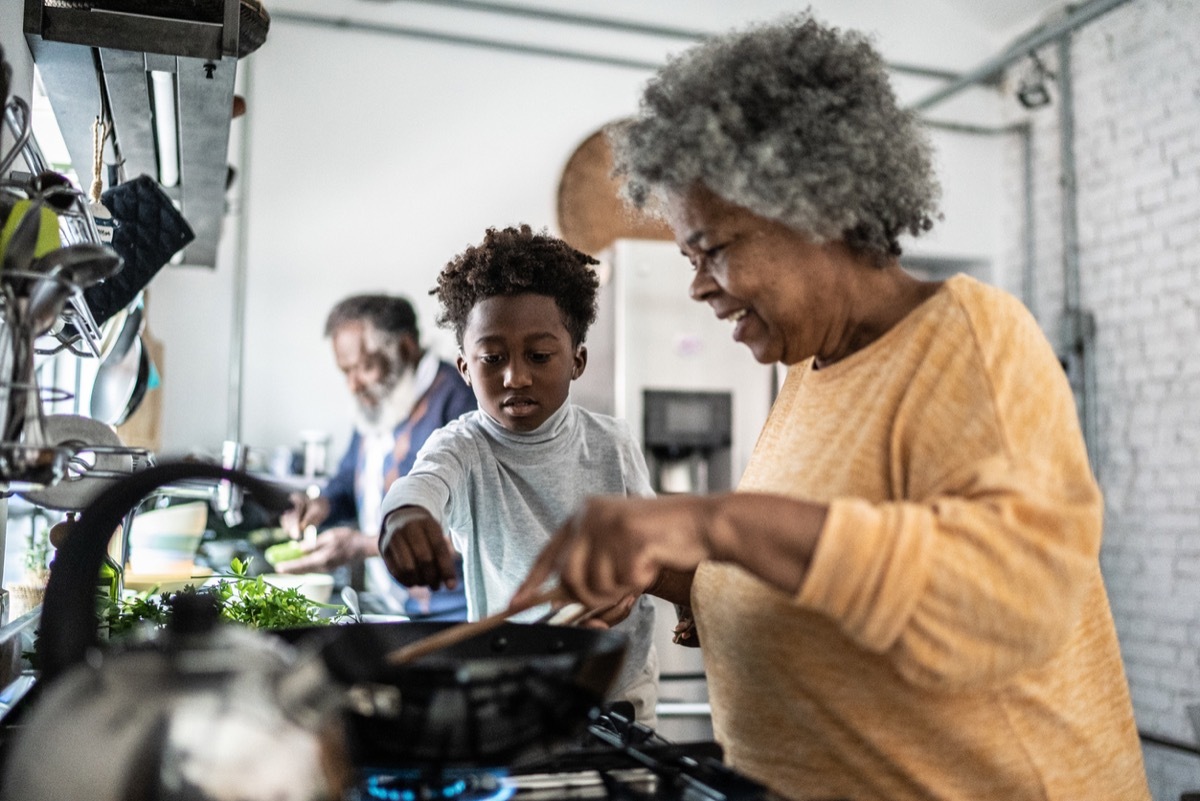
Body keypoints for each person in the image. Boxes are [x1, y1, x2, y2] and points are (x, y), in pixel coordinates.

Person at [512, 12, 1150, 801]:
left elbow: (1011, 597)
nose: (698, 285)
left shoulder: (969, 338)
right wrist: (666, 571)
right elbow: (819, 573)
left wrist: (706, 521)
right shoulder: (812, 373)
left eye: (712, 248)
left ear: (816, 204)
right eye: (687, 257)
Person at [378, 224, 659, 723]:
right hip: (515, 696)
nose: (515, 377)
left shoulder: (612, 443)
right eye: (492, 358)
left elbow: (657, 545)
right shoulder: (462, 447)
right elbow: (419, 487)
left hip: (620, 694)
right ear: (465, 368)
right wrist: (403, 517)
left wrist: (665, 594)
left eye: (539, 356)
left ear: (577, 361)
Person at [278, 294, 475, 619]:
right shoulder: (379, 402)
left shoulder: (458, 403)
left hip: (453, 615)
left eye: (365, 367)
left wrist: (363, 546)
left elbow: (475, 527)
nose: (353, 385)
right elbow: (347, 477)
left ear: (406, 347)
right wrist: (319, 505)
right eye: (346, 372)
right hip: (394, 607)